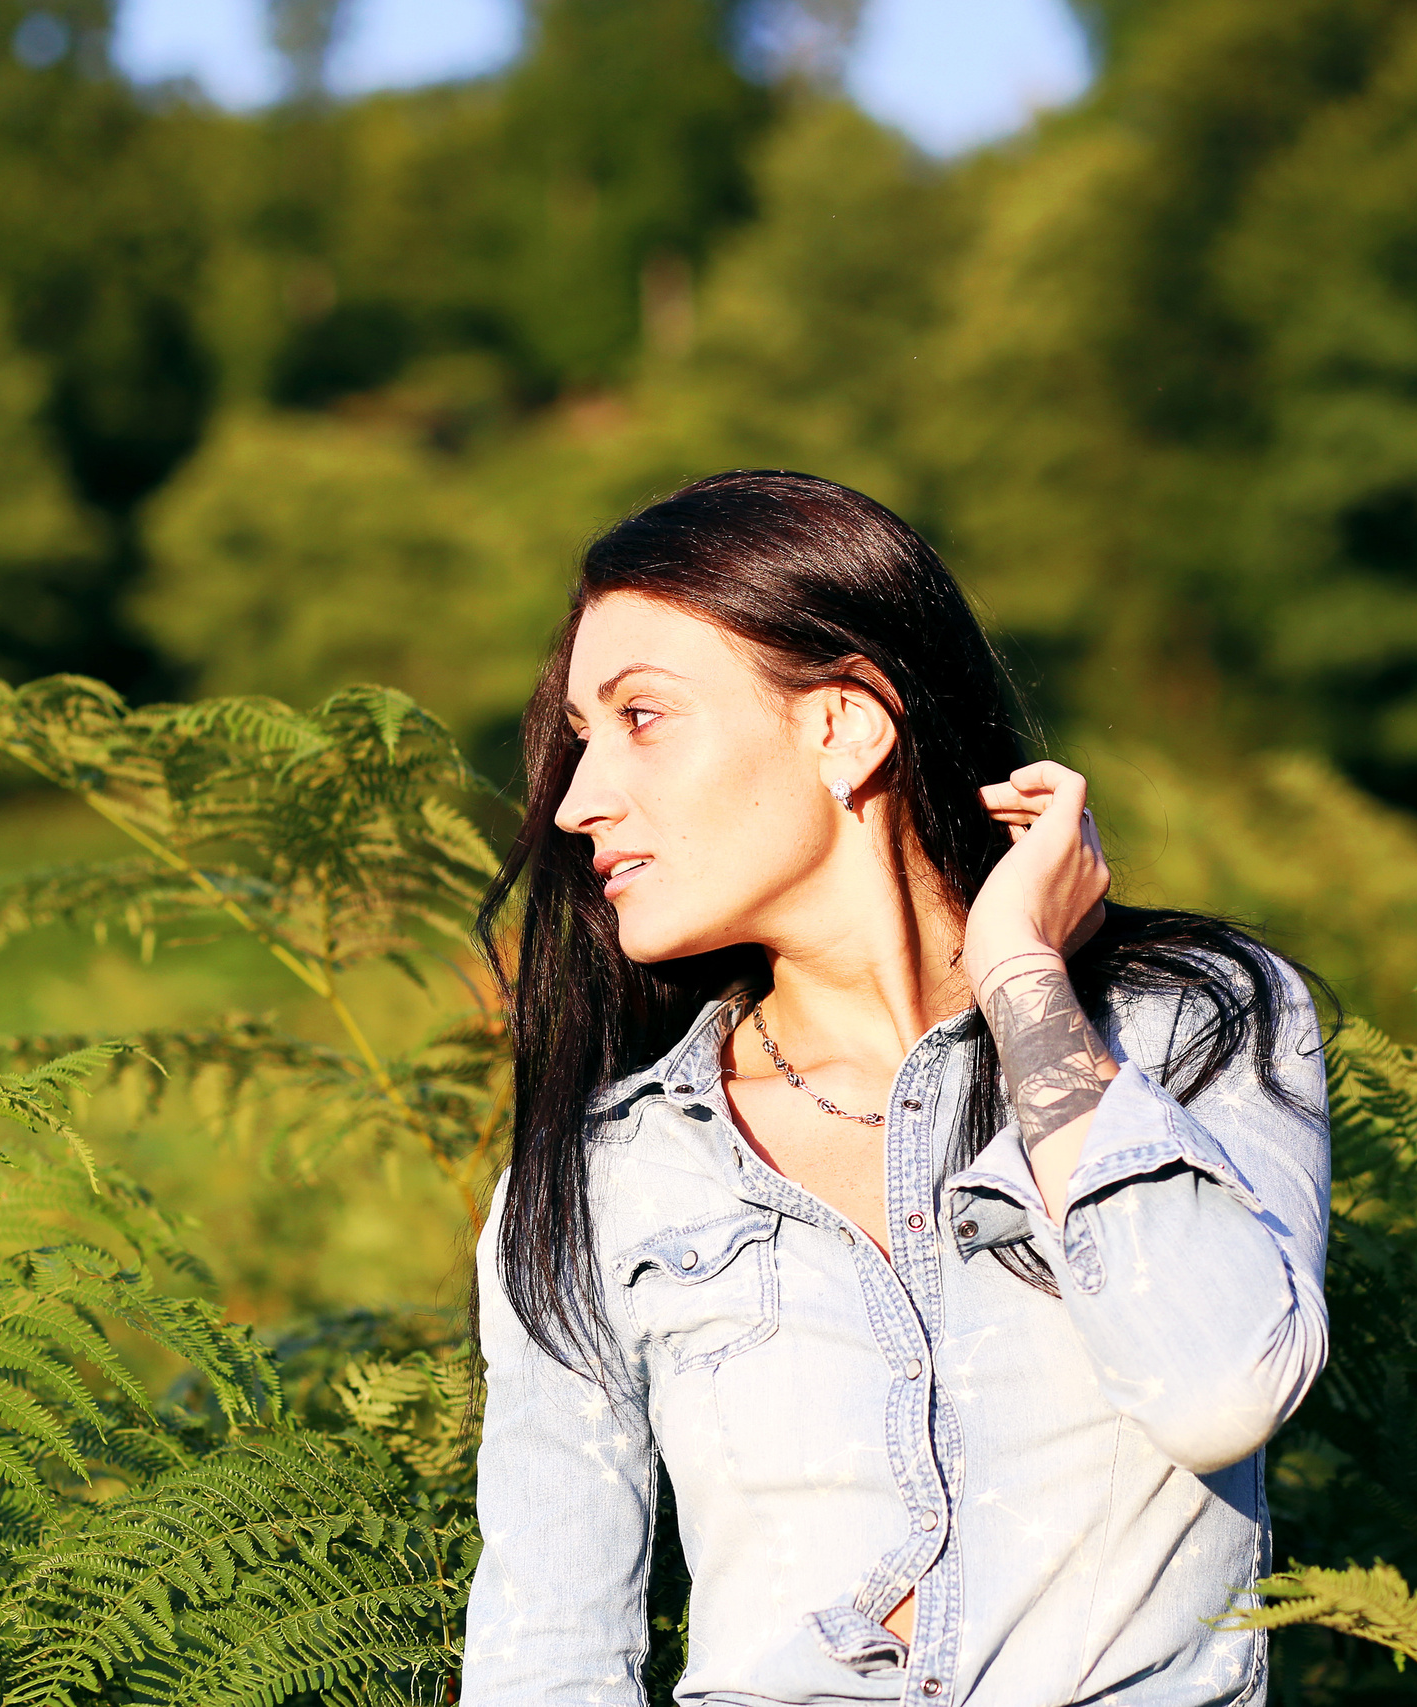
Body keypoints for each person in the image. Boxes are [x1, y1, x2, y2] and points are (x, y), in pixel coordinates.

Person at [465, 471, 1331, 1706]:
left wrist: (1024, 980)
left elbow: (1217, 1390)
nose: (576, 799)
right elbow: (545, 1656)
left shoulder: (1186, 1021)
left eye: (641, 718)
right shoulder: (605, 1171)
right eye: (582, 738)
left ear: (844, 728)